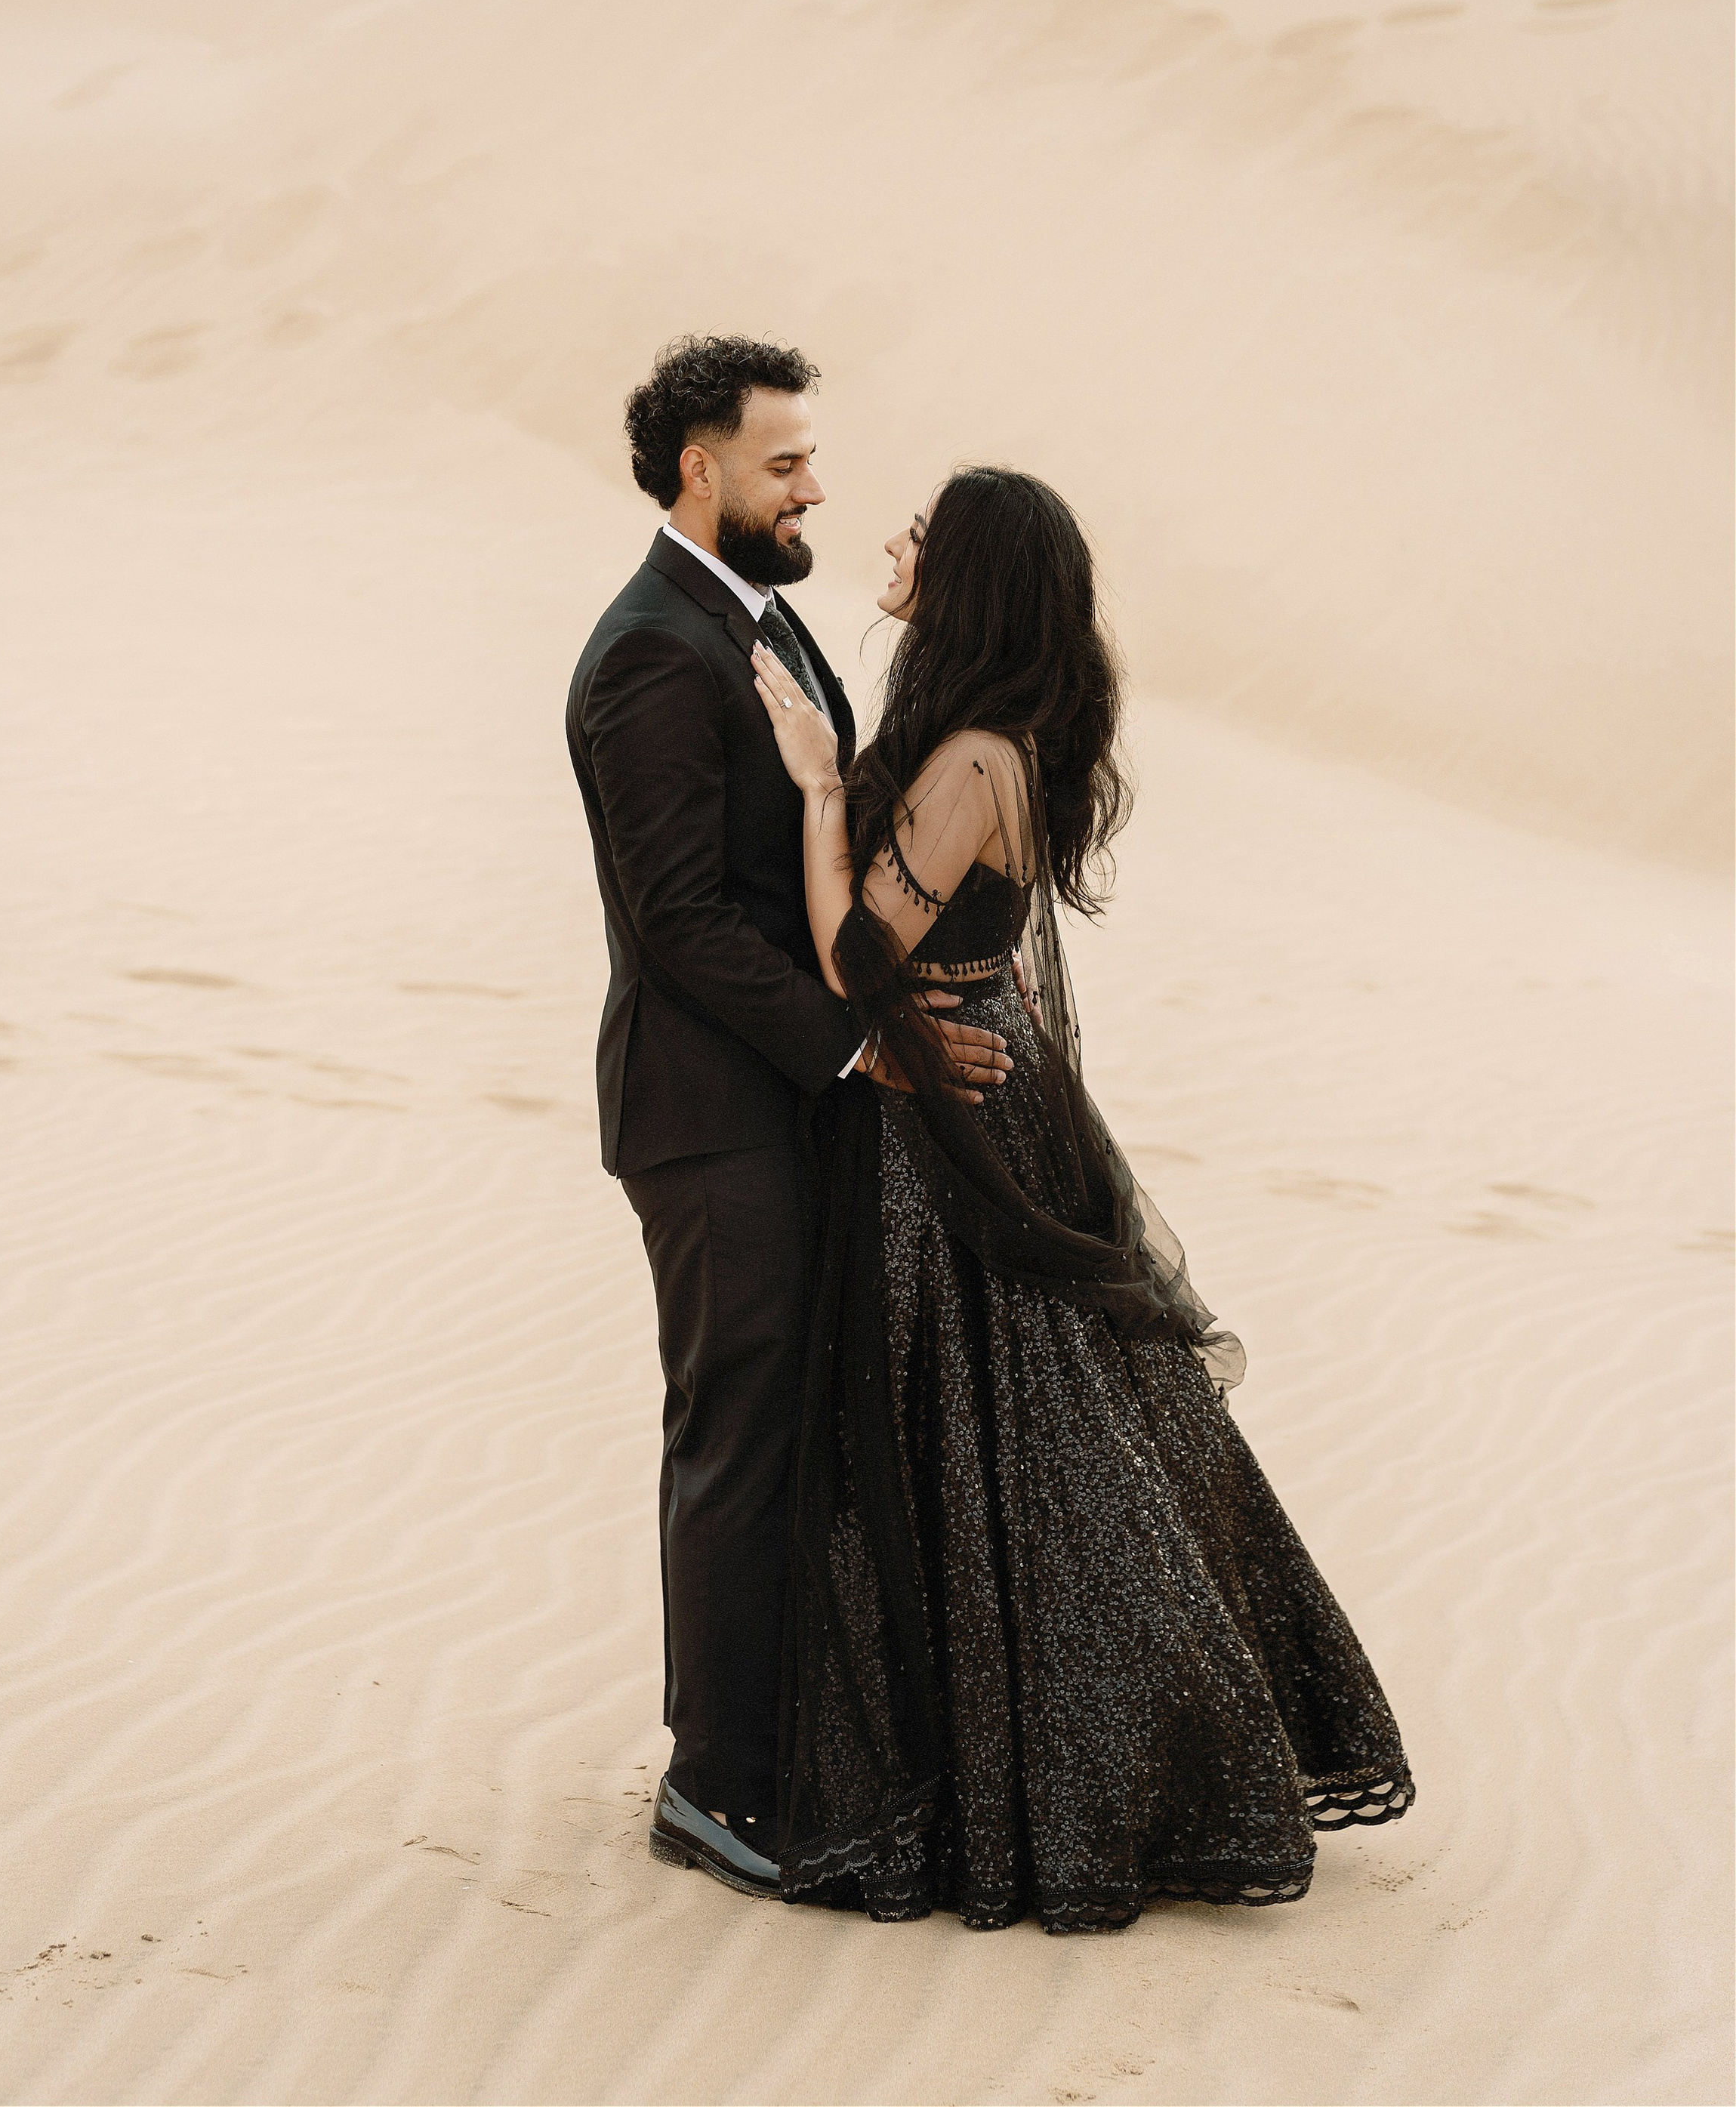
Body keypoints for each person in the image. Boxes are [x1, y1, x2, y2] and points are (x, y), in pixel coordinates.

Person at [751, 465, 1414, 1933]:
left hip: (955, 1122)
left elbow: (857, 958)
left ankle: (1101, 1768)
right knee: (1022, 1433)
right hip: (971, 1088)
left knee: (1010, 1439)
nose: (892, 539)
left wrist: (816, 790)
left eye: (923, 532)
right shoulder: (984, 740)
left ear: (972, 578)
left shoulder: (975, 759)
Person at [566, 338, 1011, 1897]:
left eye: (811, 456)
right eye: (783, 462)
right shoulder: (649, 651)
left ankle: (794, 1747)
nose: (815, 485)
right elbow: (681, 918)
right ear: (699, 470)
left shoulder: (761, 619)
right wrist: (858, 1044)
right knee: (736, 1436)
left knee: (791, 1432)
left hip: (789, 1105)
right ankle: (716, 1785)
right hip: (707, 1115)